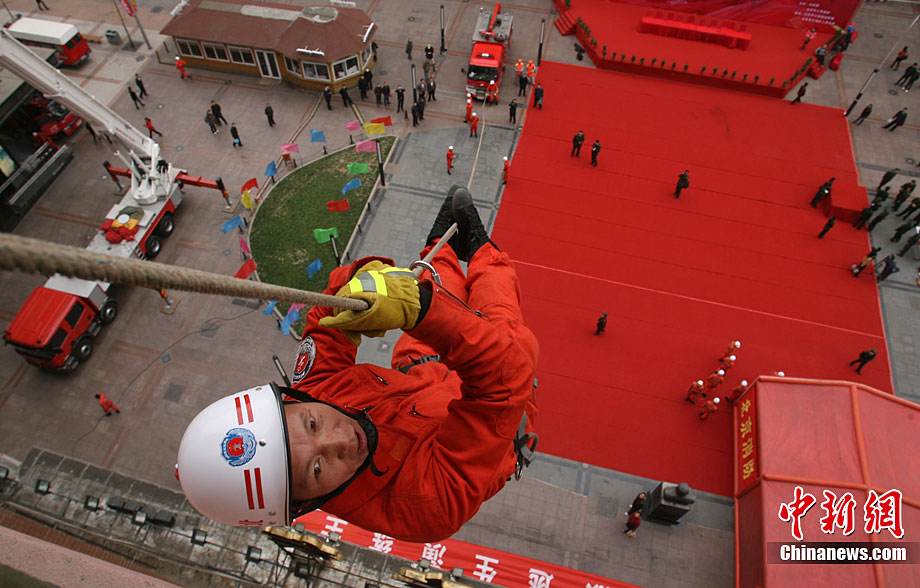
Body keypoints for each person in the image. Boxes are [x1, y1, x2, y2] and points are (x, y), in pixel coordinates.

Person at [176, 185, 539, 543]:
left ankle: (440, 248)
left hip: (418, 381)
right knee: (504, 332)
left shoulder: (314, 391)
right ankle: (481, 248)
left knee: (421, 300)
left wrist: (362, 285)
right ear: (307, 503)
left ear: (291, 399)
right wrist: (420, 311)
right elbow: (504, 378)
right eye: (316, 470)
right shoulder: (424, 505)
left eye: (312, 423)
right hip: (498, 413)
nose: (340, 440)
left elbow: (326, 315)